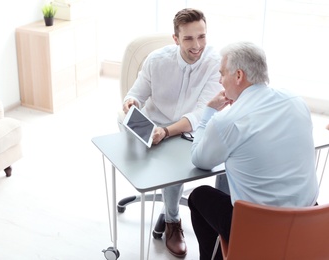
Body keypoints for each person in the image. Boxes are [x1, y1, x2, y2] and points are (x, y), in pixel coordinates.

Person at [188, 41, 319, 260]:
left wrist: (209, 113)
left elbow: (200, 159)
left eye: (222, 74)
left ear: (238, 75)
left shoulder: (226, 121)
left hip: (260, 232)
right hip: (310, 225)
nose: (220, 81)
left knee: (199, 196)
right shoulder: (296, 100)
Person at [121, 8, 223, 258]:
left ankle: (172, 221)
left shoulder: (214, 63)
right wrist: (131, 102)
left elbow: (201, 113)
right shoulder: (157, 60)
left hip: (187, 130)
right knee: (127, 130)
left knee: (176, 170)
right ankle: (169, 211)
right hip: (153, 125)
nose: (197, 45)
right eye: (188, 38)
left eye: (202, 36)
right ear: (176, 38)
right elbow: (135, 93)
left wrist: (166, 132)